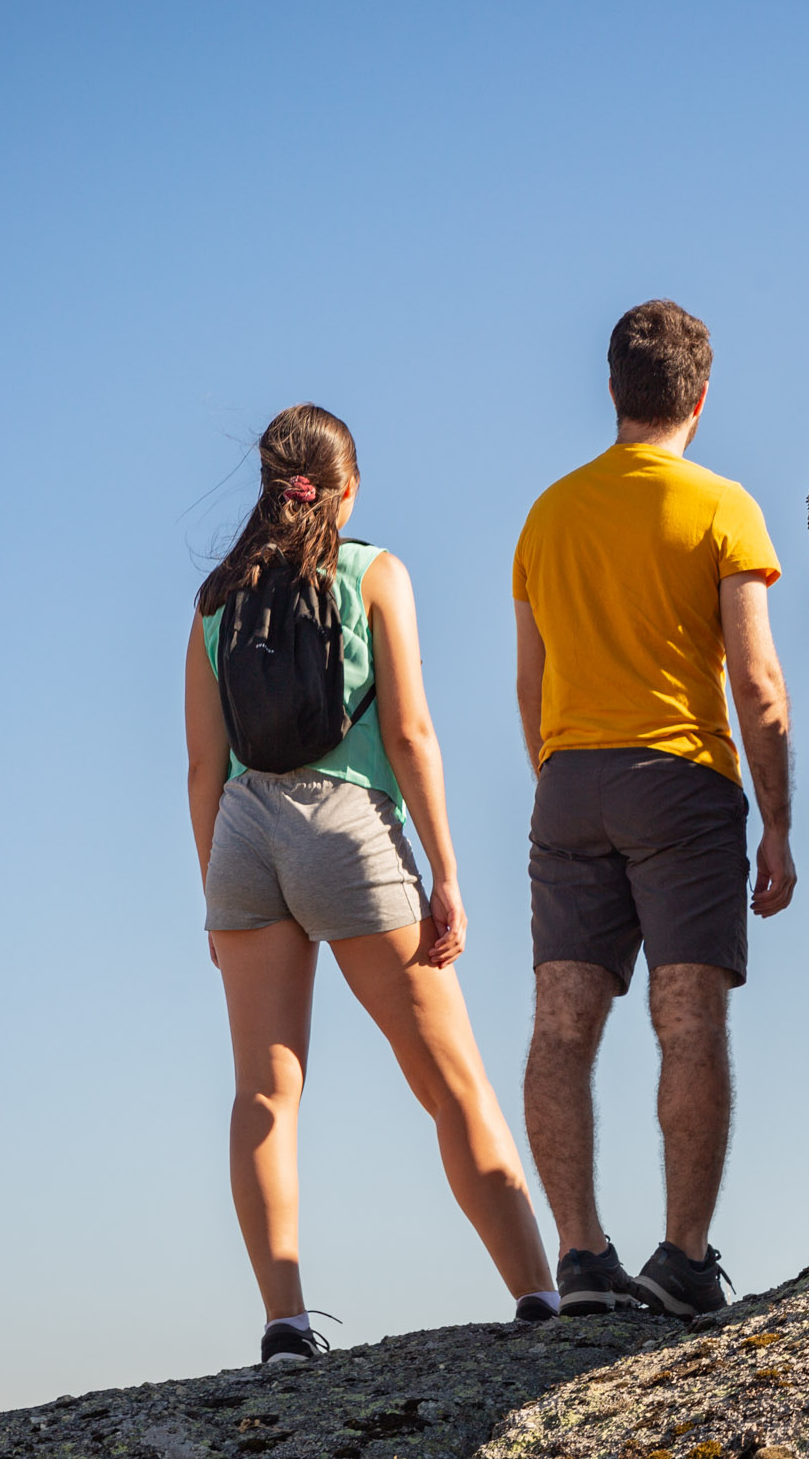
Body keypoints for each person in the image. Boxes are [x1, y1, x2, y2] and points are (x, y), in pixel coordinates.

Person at [185, 404, 557, 1367]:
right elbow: (409, 735)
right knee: (452, 1083)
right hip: (346, 831)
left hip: (242, 840)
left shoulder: (216, 601)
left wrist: (213, 899)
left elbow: (201, 768)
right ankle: (541, 1301)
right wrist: (446, 870)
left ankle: (285, 1323)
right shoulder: (375, 573)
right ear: (346, 488)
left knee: (265, 1093)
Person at [513, 300, 797, 1320]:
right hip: (679, 782)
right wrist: (777, 820)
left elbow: (529, 683)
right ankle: (681, 1259)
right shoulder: (723, 508)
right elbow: (757, 684)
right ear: (701, 396)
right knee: (688, 1022)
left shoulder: (549, 514)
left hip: (569, 781)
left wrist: (561, 777)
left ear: (612, 393)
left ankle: (581, 1256)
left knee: (561, 1027)